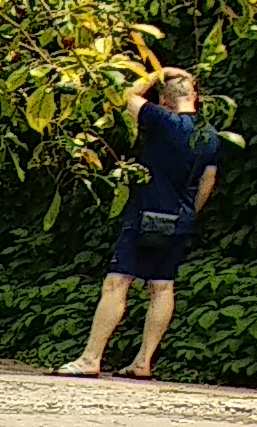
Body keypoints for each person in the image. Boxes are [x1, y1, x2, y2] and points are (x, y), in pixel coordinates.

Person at [59, 69, 221, 379]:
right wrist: (189, 214)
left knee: (117, 282)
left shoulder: (162, 120)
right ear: (196, 97)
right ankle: (143, 361)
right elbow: (207, 181)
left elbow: (123, 97)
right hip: (181, 219)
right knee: (162, 286)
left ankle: (91, 358)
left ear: (164, 100)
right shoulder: (209, 135)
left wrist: (157, 72)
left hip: (146, 213)